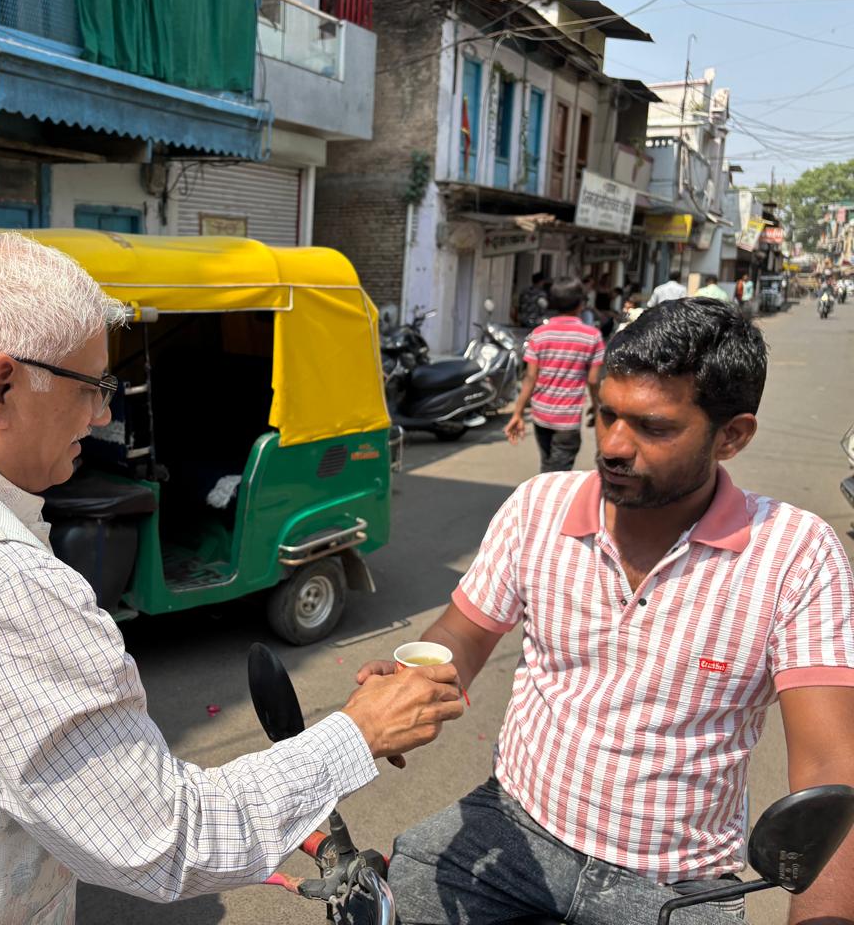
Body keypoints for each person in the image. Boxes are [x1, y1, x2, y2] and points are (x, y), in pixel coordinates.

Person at [0, 231, 465, 924]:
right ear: (2, 385)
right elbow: (167, 840)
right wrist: (357, 732)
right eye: (93, 385)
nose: (105, 412)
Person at [364, 298, 854, 925]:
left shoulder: (796, 554)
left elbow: (830, 773)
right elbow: (464, 631)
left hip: (678, 880)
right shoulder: (537, 506)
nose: (614, 447)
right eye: (607, 416)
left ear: (732, 435)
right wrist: (419, 683)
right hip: (515, 822)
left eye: (653, 428)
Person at [504, 277, 604, 473]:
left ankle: (544, 499)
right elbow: (593, 380)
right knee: (558, 475)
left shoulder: (540, 334)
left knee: (548, 467)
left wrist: (517, 413)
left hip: (541, 416)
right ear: (581, 304)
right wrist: (596, 406)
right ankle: (548, 502)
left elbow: (530, 378)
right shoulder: (592, 336)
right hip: (567, 420)